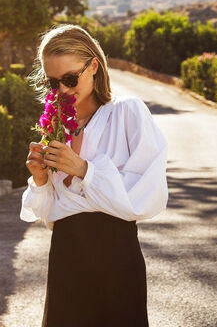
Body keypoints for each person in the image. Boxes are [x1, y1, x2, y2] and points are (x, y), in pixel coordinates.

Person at [21, 24, 168, 327]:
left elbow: (146, 196)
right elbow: (50, 215)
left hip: (114, 255)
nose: (62, 90)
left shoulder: (127, 113)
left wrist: (84, 170)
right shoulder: (56, 128)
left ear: (94, 67)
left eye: (70, 79)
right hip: (65, 256)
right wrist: (40, 180)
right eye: (52, 83)